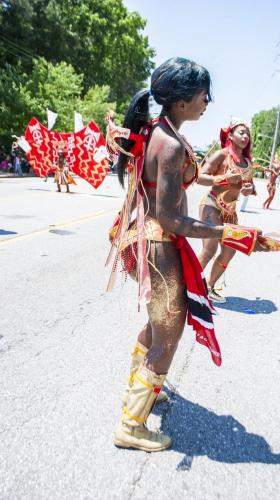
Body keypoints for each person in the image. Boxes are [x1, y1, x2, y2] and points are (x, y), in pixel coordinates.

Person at [106, 58, 270, 452]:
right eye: (202, 95)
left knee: (156, 323)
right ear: (180, 101)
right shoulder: (171, 143)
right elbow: (170, 216)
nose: (206, 102)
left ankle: (141, 385)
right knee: (169, 334)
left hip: (150, 240)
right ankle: (131, 425)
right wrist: (227, 231)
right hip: (160, 244)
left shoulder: (158, 131)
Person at [197, 118, 255, 302]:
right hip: (212, 204)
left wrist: (249, 189)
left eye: (247, 134)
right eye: (241, 132)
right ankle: (187, 286)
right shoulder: (222, 155)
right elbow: (199, 176)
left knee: (230, 250)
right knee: (210, 248)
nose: (245, 136)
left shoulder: (247, 162)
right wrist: (223, 179)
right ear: (230, 135)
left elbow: (250, 186)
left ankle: (208, 287)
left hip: (230, 211)